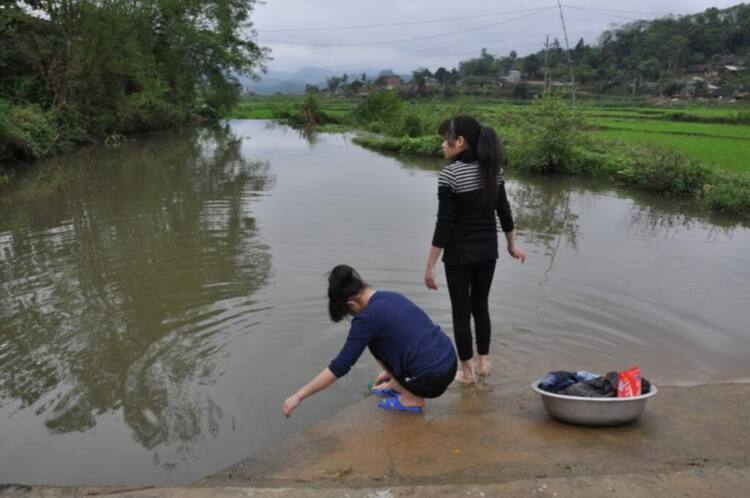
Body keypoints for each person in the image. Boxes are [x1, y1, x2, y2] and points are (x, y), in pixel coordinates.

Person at [424, 115, 526, 385]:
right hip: (487, 252)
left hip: (458, 254)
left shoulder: (450, 175)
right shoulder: (493, 171)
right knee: (481, 306)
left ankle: (467, 372)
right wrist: (511, 244)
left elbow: (444, 224)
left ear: (460, 142)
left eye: (445, 140)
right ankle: (484, 363)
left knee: (461, 310)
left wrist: (430, 265)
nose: (442, 146)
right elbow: (504, 211)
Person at [282, 265, 457, 416]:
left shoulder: (366, 319)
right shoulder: (390, 296)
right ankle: (398, 384)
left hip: (431, 379)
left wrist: (299, 395)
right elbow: (410, 337)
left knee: (373, 342)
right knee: (380, 338)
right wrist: (392, 374)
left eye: (350, 314)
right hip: (449, 362)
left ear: (352, 304)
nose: (353, 317)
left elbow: (340, 366)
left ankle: (412, 399)